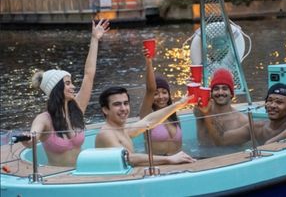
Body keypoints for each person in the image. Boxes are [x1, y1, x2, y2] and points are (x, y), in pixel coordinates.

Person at [22, 19, 110, 167]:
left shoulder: (77, 109)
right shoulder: (44, 119)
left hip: (81, 173)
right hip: (58, 178)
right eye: (68, 83)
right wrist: (27, 138)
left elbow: (89, 75)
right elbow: (32, 139)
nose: (73, 87)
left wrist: (94, 39)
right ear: (56, 89)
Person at [95, 86, 196, 166]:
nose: (123, 108)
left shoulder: (123, 129)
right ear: (105, 110)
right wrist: (169, 159)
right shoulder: (106, 133)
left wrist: (179, 104)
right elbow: (128, 158)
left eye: (125, 103)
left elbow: (150, 121)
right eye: (117, 104)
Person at [201, 83, 286, 146]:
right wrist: (206, 114)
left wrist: (272, 142)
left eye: (279, 102)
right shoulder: (257, 128)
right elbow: (222, 141)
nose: (272, 105)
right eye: (270, 100)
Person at [139, 47, 182, 156]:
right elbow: (150, 89)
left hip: (180, 160)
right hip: (159, 164)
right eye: (156, 93)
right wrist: (149, 62)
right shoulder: (147, 116)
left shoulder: (173, 116)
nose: (161, 96)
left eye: (164, 92)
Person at [194, 68, 248, 146]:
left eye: (224, 88)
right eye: (216, 89)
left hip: (231, 157)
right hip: (202, 157)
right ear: (211, 93)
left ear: (232, 94)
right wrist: (194, 84)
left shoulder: (242, 121)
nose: (220, 92)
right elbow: (193, 99)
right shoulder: (200, 112)